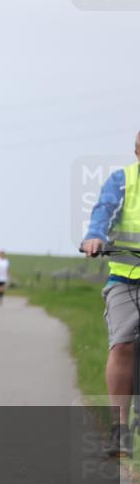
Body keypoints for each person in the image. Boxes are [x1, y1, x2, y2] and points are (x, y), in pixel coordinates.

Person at [81, 130, 140, 458]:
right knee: (122, 344)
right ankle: (119, 429)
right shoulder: (123, 181)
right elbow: (104, 211)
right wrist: (94, 237)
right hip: (126, 277)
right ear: (136, 151)